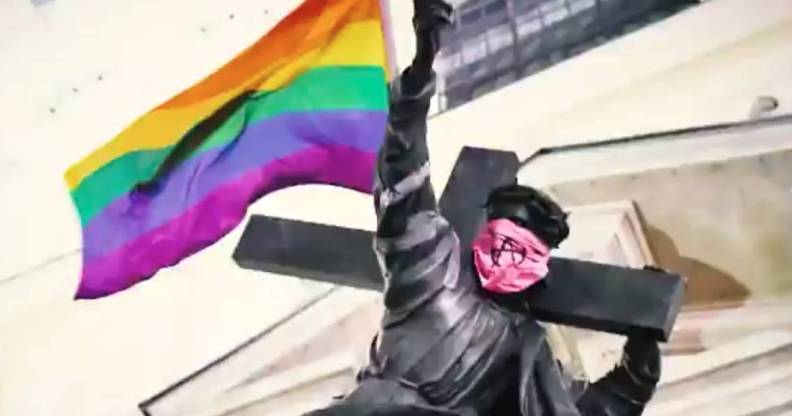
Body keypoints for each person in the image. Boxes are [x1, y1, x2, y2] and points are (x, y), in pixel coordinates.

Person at [306, 1, 660, 415]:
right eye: (502, 243)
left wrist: (638, 370)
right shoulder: (432, 272)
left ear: (539, 268)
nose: (506, 259)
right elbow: (403, 178)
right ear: (482, 239)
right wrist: (421, 69)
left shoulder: (527, 353)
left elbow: (581, 409)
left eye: (521, 253)